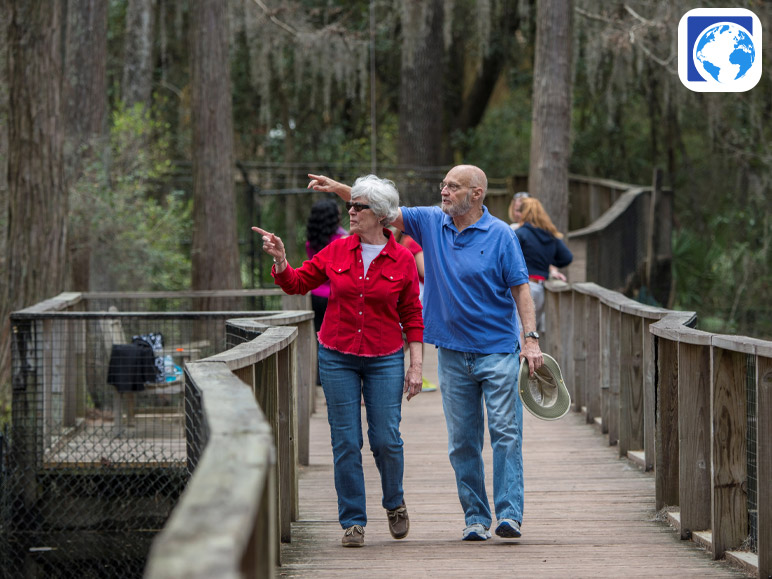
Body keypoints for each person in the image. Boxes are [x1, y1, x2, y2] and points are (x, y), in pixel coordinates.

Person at [309, 165, 544, 542]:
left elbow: (521, 290)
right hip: (452, 353)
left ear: (477, 194)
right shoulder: (432, 223)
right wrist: (342, 189)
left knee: (506, 433)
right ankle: (475, 518)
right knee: (463, 441)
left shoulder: (501, 235)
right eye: (443, 185)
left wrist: (529, 339)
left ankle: (509, 514)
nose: (444, 191)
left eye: (453, 186)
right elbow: (380, 208)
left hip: (498, 350)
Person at [252, 175, 424, 548]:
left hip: (384, 357)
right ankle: (353, 521)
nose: (351, 212)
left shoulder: (404, 259)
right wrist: (281, 260)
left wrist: (416, 366)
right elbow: (298, 283)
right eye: (350, 205)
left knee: (385, 439)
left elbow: (412, 314)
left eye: (358, 207)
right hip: (337, 355)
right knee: (345, 441)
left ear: (379, 215)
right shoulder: (337, 251)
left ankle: (394, 501)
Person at [515, 197, 573, 333]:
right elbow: (567, 257)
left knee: (518, 331)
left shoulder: (520, 233)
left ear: (524, 213)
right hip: (540, 288)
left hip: (523, 287)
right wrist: (547, 262)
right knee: (530, 331)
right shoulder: (550, 235)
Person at [306, 199, 348, 384]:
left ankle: (320, 377)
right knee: (338, 334)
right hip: (336, 295)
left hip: (316, 295)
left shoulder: (311, 242)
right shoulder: (343, 240)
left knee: (319, 336)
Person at [393, 229, 437, 392]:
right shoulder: (413, 243)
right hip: (417, 296)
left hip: (402, 296)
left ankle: (418, 374)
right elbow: (424, 271)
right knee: (410, 337)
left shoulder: (400, 241)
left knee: (414, 336)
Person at [509, 191, 567, 282]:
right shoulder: (513, 229)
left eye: (522, 210)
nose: (519, 214)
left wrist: (553, 270)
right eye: (517, 210)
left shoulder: (535, 231)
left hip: (529, 281)